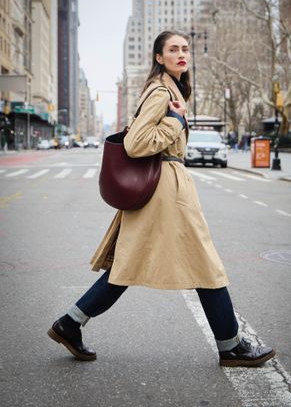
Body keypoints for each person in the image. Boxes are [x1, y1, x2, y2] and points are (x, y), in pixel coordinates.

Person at [48, 30, 275, 367]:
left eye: (185, 48)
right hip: (165, 191)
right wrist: (176, 121)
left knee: (128, 265)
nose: (182, 54)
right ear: (159, 57)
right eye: (173, 49)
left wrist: (177, 117)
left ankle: (70, 323)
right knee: (205, 264)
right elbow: (135, 144)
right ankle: (231, 347)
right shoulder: (160, 91)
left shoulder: (171, 88)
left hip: (164, 189)